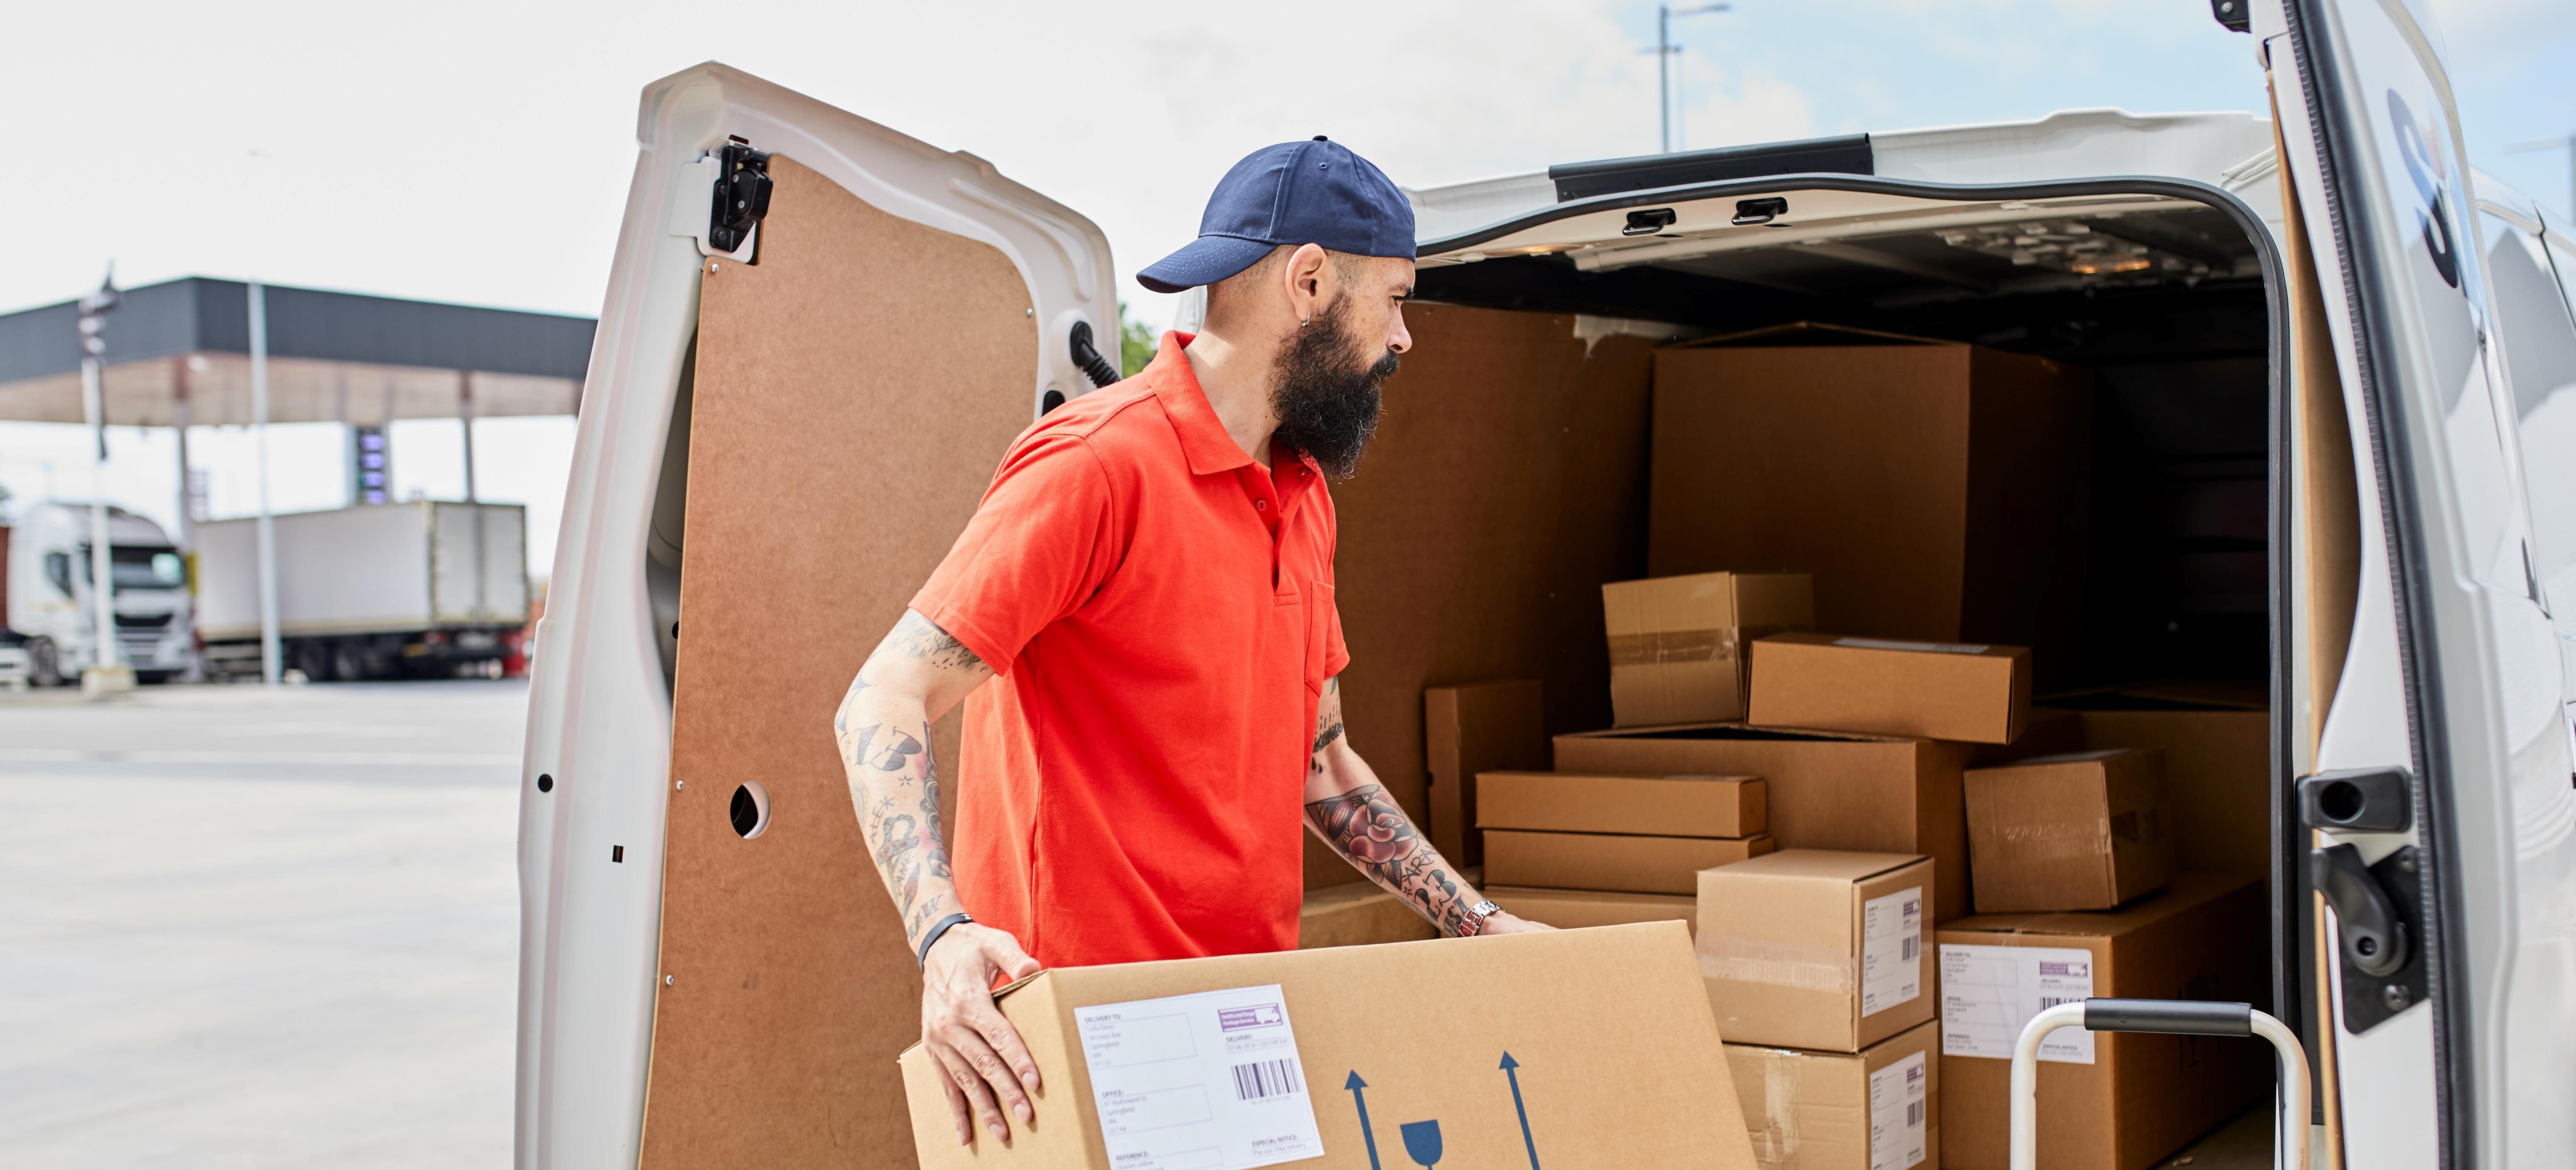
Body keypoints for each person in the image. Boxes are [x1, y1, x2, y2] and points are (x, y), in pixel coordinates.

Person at [834, 137, 1550, 1148]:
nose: (1403, 337)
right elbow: (883, 697)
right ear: (1309, 281)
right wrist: (942, 934)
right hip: (1071, 1048)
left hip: (1241, 1034)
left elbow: (1322, 763)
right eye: (1392, 298)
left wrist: (1479, 924)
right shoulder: (1096, 467)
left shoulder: (1302, 499)